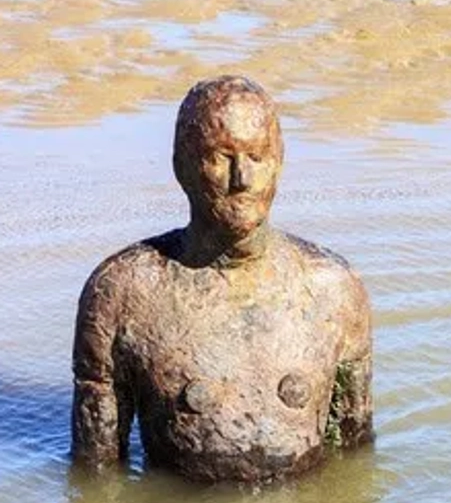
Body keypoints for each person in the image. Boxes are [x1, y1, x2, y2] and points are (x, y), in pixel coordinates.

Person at [71, 75, 373, 482]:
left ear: (279, 162)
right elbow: (95, 478)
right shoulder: (123, 293)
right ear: (182, 165)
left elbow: (356, 465)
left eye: (257, 156)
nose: (242, 179)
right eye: (221, 157)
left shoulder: (334, 291)